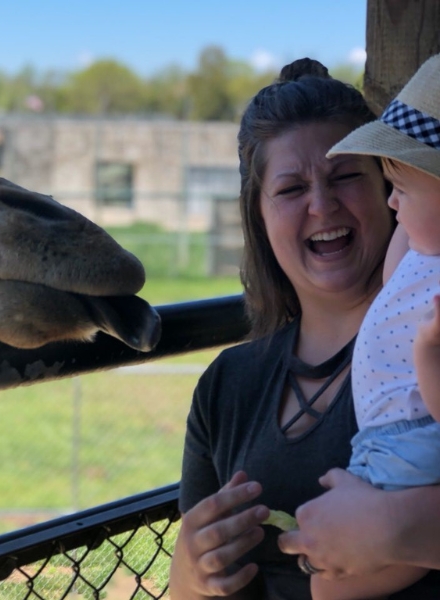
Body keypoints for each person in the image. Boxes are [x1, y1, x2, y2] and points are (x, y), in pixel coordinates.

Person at [169, 57, 440, 600]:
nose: (322, 205)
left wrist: (403, 531)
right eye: (292, 189)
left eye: (345, 177)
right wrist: (189, 577)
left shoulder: (428, 332)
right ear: (260, 215)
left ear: (391, 186)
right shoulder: (228, 384)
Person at [295, 53, 440, 600]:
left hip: (415, 437)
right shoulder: (420, 248)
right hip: (385, 436)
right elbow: (403, 247)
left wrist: (429, 354)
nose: (391, 200)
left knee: (331, 590)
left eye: (403, 187)